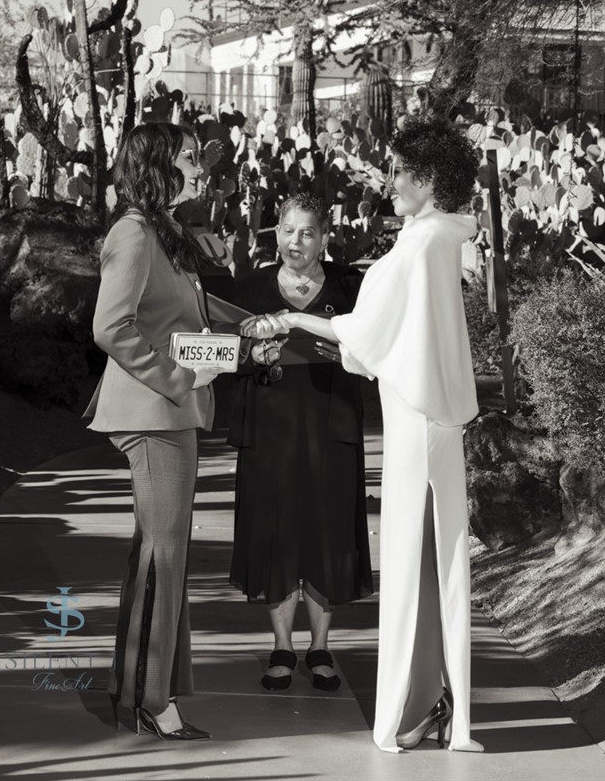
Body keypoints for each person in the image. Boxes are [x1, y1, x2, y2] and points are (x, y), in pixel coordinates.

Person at [242, 119, 485, 753]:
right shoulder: (436, 239)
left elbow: (362, 333)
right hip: (431, 423)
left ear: (428, 179)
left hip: (416, 423)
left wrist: (292, 319)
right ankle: (437, 705)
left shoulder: (420, 245)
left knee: (411, 568)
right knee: (436, 568)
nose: (391, 182)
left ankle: (414, 707)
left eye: (401, 171)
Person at [84, 122, 220, 741]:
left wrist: (257, 327)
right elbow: (110, 326)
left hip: (168, 415)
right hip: (154, 416)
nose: (198, 166)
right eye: (188, 157)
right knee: (165, 558)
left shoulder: (161, 231)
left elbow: (183, 315)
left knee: (158, 555)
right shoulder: (134, 232)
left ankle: (140, 693)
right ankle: (152, 700)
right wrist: (177, 378)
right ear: (158, 165)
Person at [229, 193, 373, 691]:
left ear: (324, 238)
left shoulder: (351, 286)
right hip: (268, 430)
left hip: (332, 426)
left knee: (327, 534)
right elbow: (226, 352)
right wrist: (252, 355)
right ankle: (282, 647)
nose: (296, 241)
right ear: (276, 234)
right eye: (288, 231)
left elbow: (371, 346)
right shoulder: (249, 287)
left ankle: (321, 648)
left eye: (307, 232)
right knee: (276, 536)